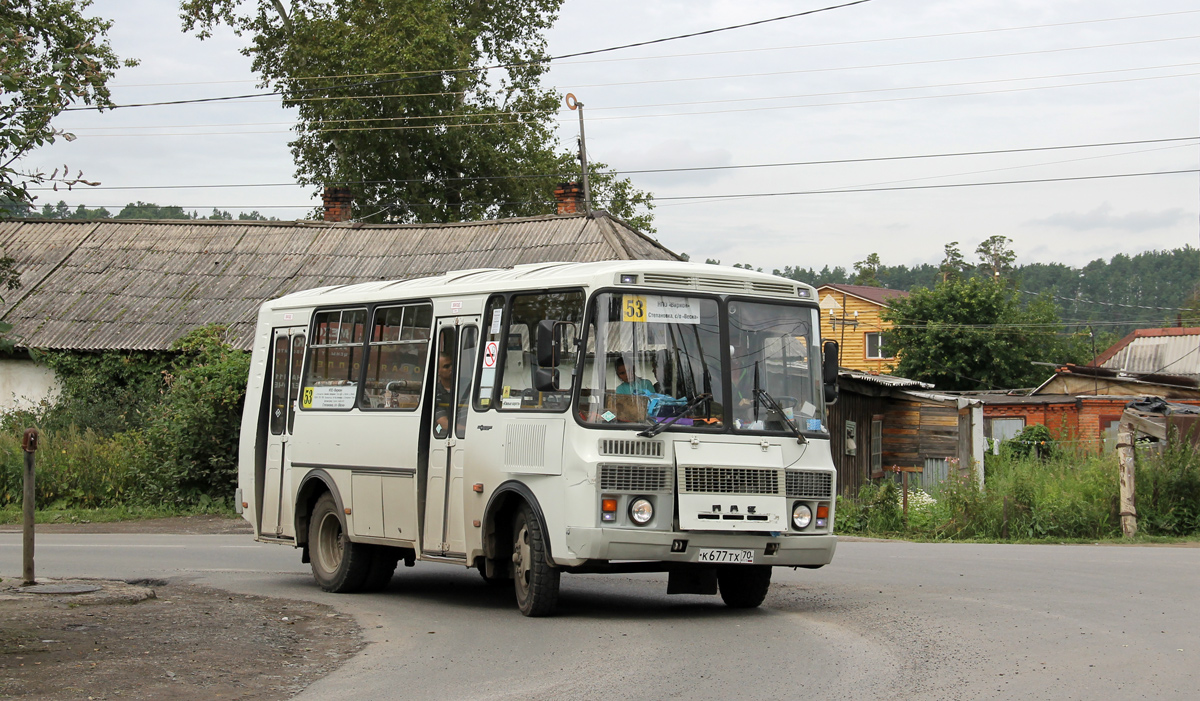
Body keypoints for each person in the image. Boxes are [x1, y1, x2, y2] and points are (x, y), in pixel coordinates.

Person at [433, 352, 454, 435]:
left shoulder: (467, 386)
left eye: (452, 364)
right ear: (438, 371)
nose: (451, 368)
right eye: (446, 366)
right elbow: (444, 424)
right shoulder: (436, 393)